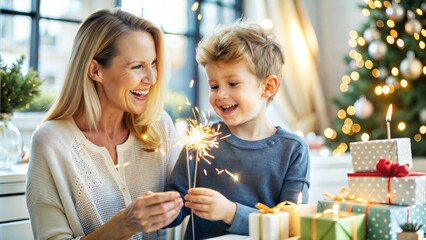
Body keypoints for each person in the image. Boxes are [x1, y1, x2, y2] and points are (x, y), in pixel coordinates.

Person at [26, 9, 183, 240]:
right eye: (137, 66)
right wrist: (124, 225)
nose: (152, 78)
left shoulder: (159, 127)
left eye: (153, 63)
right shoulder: (51, 142)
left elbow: (187, 204)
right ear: (95, 70)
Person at [166, 21, 310, 239]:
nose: (220, 95)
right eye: (214, 86)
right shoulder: (202, 141)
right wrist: (161, 208)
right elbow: (177, 205)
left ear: (267, 86)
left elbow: (290, 225)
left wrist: (231, 213)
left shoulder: (293, 150)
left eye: (232, 83)